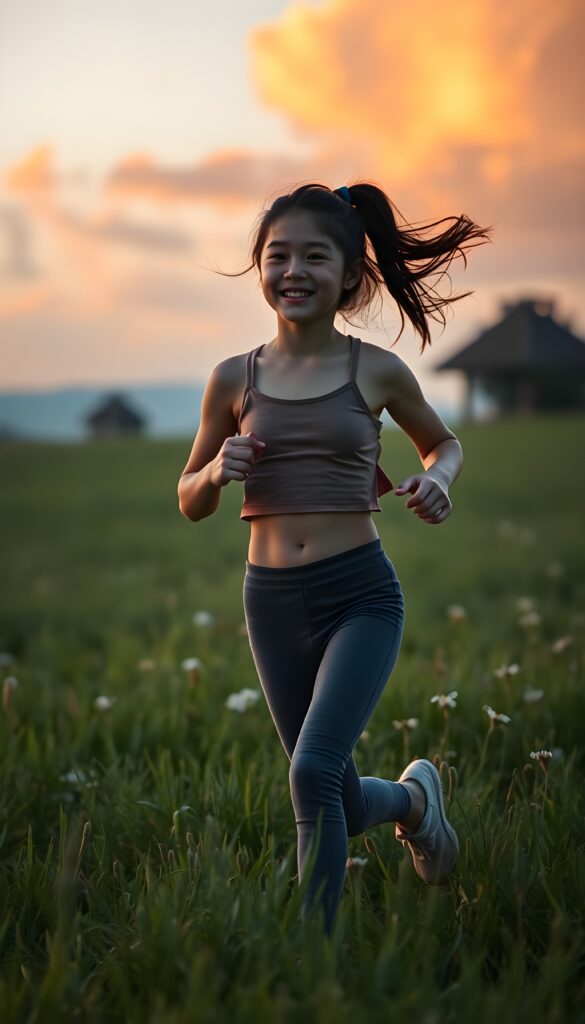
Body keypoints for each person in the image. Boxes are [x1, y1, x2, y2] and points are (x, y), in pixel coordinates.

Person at [178, 181, 493, 936]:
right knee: (332, 793)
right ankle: (416, 805)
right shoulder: (232, 378)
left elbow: (441, 443)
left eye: (312, 257)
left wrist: (438, 481)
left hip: (359, 596)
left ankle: (310, 958)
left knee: (311, 773)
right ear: (259, 268)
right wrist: (218, 470)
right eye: (275, 255)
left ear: (349, 274)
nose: (292, 271)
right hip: (271, 603)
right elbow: (189, 497)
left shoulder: (374, 371)